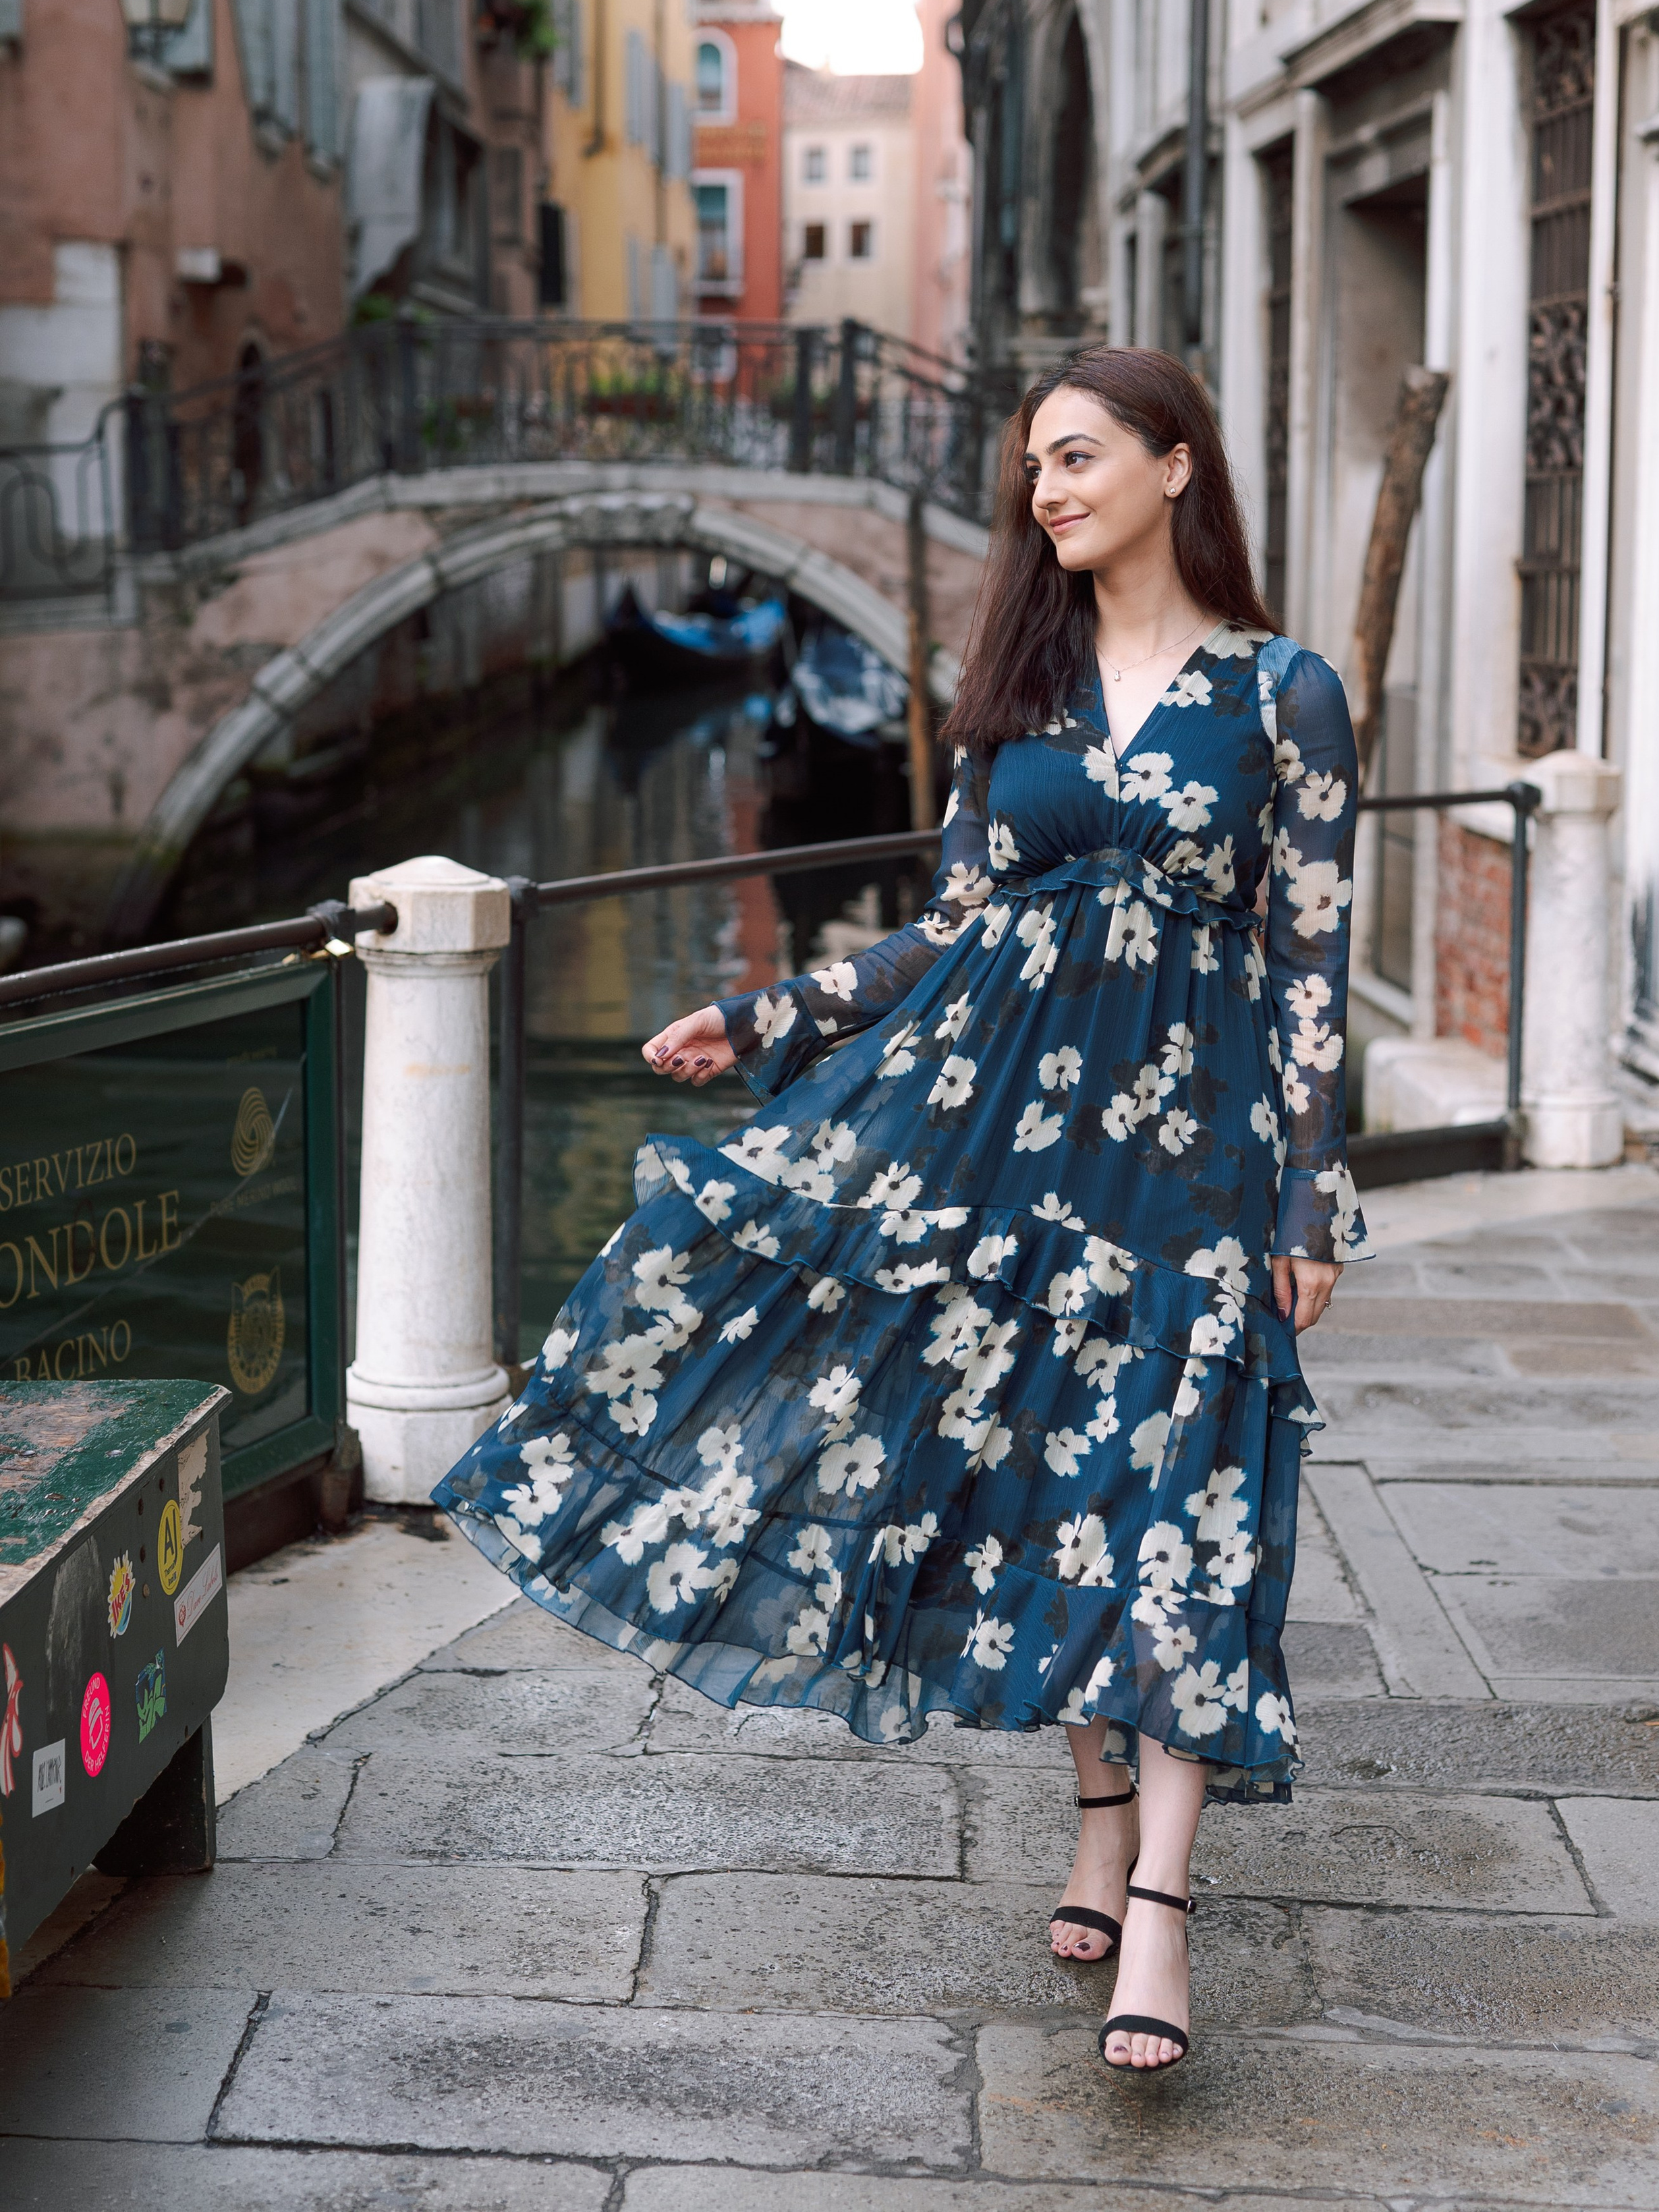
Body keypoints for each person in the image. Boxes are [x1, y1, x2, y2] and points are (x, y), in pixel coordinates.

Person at [434, 346, 1368, 2076]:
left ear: (1177, 464)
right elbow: (948, 927)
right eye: (1032, 470)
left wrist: (1308, 1190)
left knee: (1181, 1485)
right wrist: (779, 1016)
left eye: (1078, 458)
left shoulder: (1284, 695)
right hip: (998, 1142)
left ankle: (1158, 1896)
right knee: (1050, 1483)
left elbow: (1306, 960)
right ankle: (1100, 1820)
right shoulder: (1012, 680)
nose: (1047, 491)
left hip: (1190, 1152)